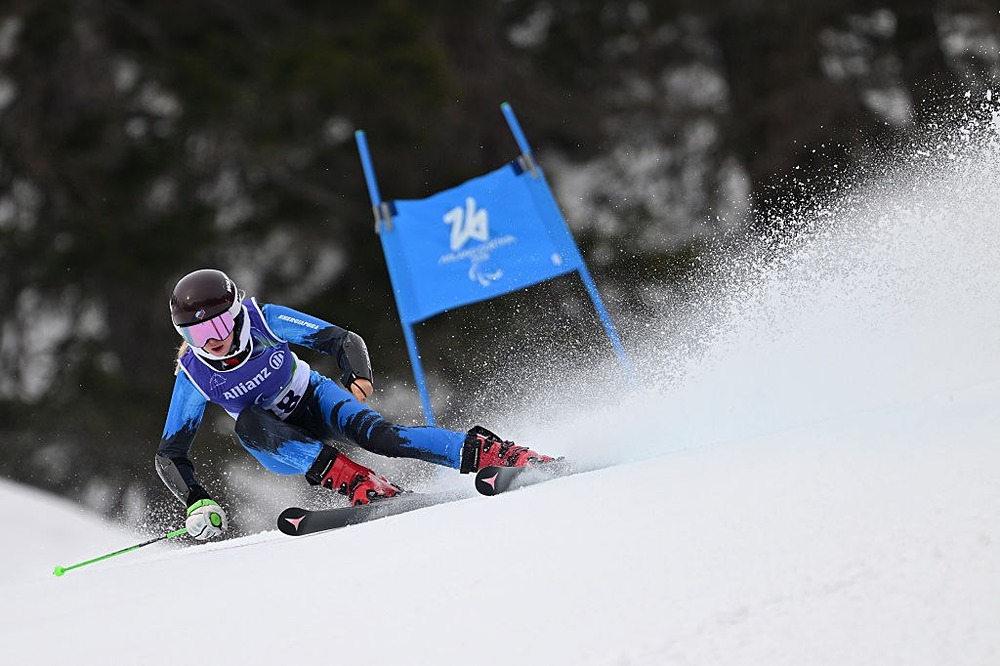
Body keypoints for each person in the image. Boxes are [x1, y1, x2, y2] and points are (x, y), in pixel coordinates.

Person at [156, 268, 553, 540]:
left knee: (382, 437)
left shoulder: (264, 320)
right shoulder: (194, 375)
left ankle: (492, 453)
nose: (213, 339)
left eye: (220, 324)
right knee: (249, 423)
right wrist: (196, 500)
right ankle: (363, 484)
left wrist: (357, 375)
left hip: (315, 399)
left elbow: (343, 340)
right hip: (278, 443)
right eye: (199, 332)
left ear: (236, 312)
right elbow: (170, 454)